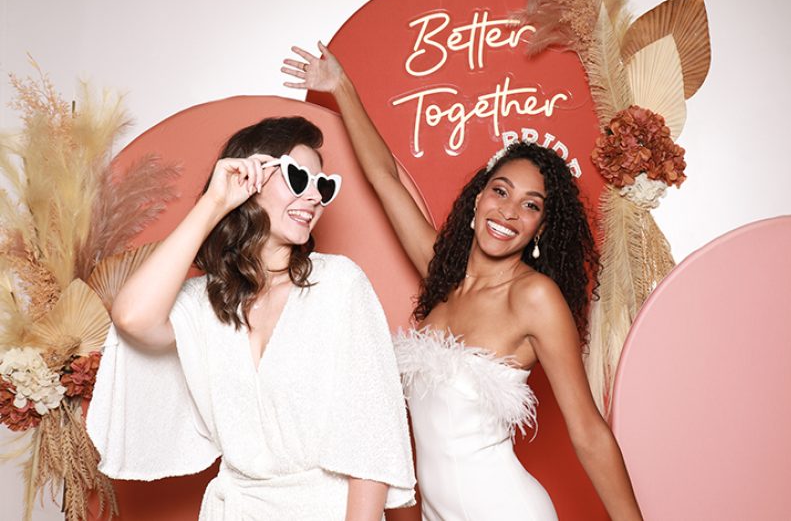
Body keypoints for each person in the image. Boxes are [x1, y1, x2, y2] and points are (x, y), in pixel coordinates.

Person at [282, 44, 643, 520]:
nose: (510, 212)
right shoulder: (443, 275)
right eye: (500, 191)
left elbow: (587, 432)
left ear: (540, 229)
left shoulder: (534, 297)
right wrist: (342, 87)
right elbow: (385, 178)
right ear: (477, 201)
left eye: (531, 206)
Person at [86, 116, 415, 520]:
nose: (313, 197)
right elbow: (132, 317)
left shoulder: (339, 284)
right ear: (252, 175)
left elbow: (371, 434)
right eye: (298, 178)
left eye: (323, 186)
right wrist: (215, 203)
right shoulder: (208, 301)